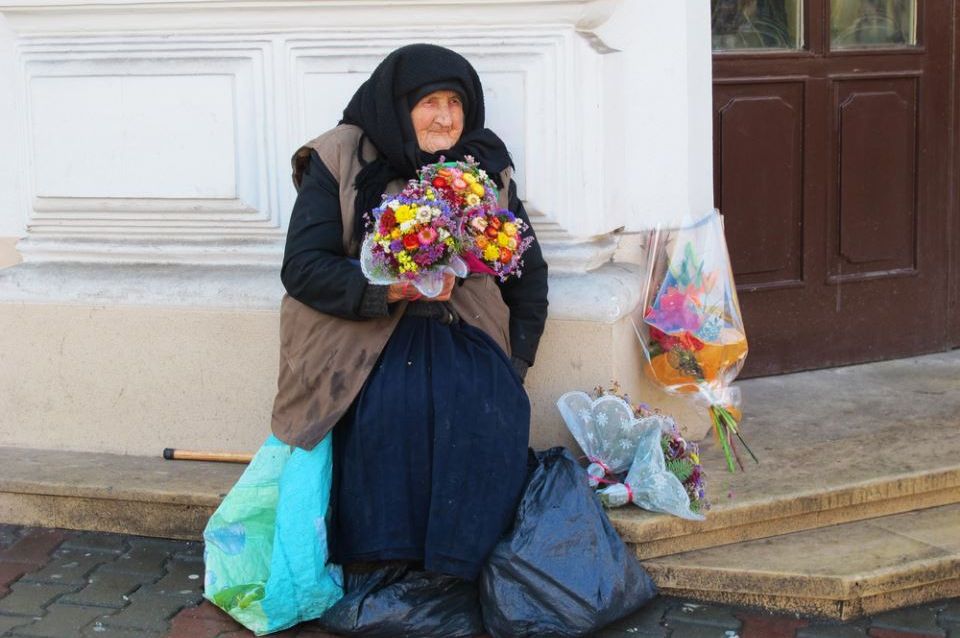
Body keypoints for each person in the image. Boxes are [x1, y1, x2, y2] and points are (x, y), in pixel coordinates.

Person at [203, 43, 548, 634]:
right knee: (392, 412)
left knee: (486, 410)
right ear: (397, 104)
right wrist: (391, 289)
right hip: (364, 342)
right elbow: (303, 267)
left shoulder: (481, 166)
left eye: (455, 103)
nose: (445, 118)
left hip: (463, 334)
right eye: (429, 103)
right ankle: (383, 567)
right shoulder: (339, 156)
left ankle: (453, 573)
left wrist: (513, 361)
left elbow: (527, 270)